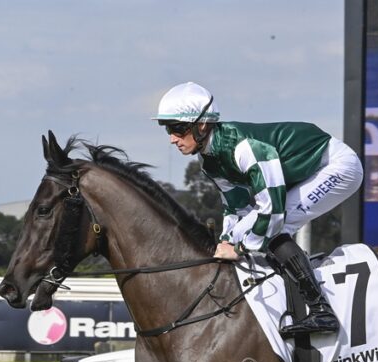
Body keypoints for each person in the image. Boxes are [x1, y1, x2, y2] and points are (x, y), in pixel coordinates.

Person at [153, 82, 364, 338]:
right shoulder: (208, 160)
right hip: (306, 173)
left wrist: (241, 249)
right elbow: (236, 207)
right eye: (168, 129)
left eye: (178, 128)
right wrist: (226, 240)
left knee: (276, 227)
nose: (172, 138)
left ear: (203, 125)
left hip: (338, 166)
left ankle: (321, 310)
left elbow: (272, 211)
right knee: (242, 233)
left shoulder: (244, 148)